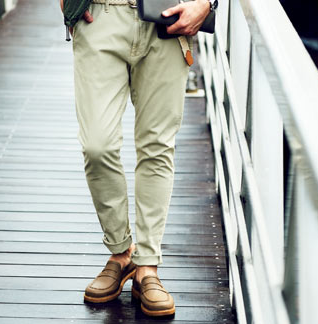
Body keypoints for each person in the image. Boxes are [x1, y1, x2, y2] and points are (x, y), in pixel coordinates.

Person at [60, 0, 213, 317]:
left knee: (157, 146)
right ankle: (120, 250)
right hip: (100, 15)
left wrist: (206, 3)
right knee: (96, 145)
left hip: (168, 18)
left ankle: (147, 264)